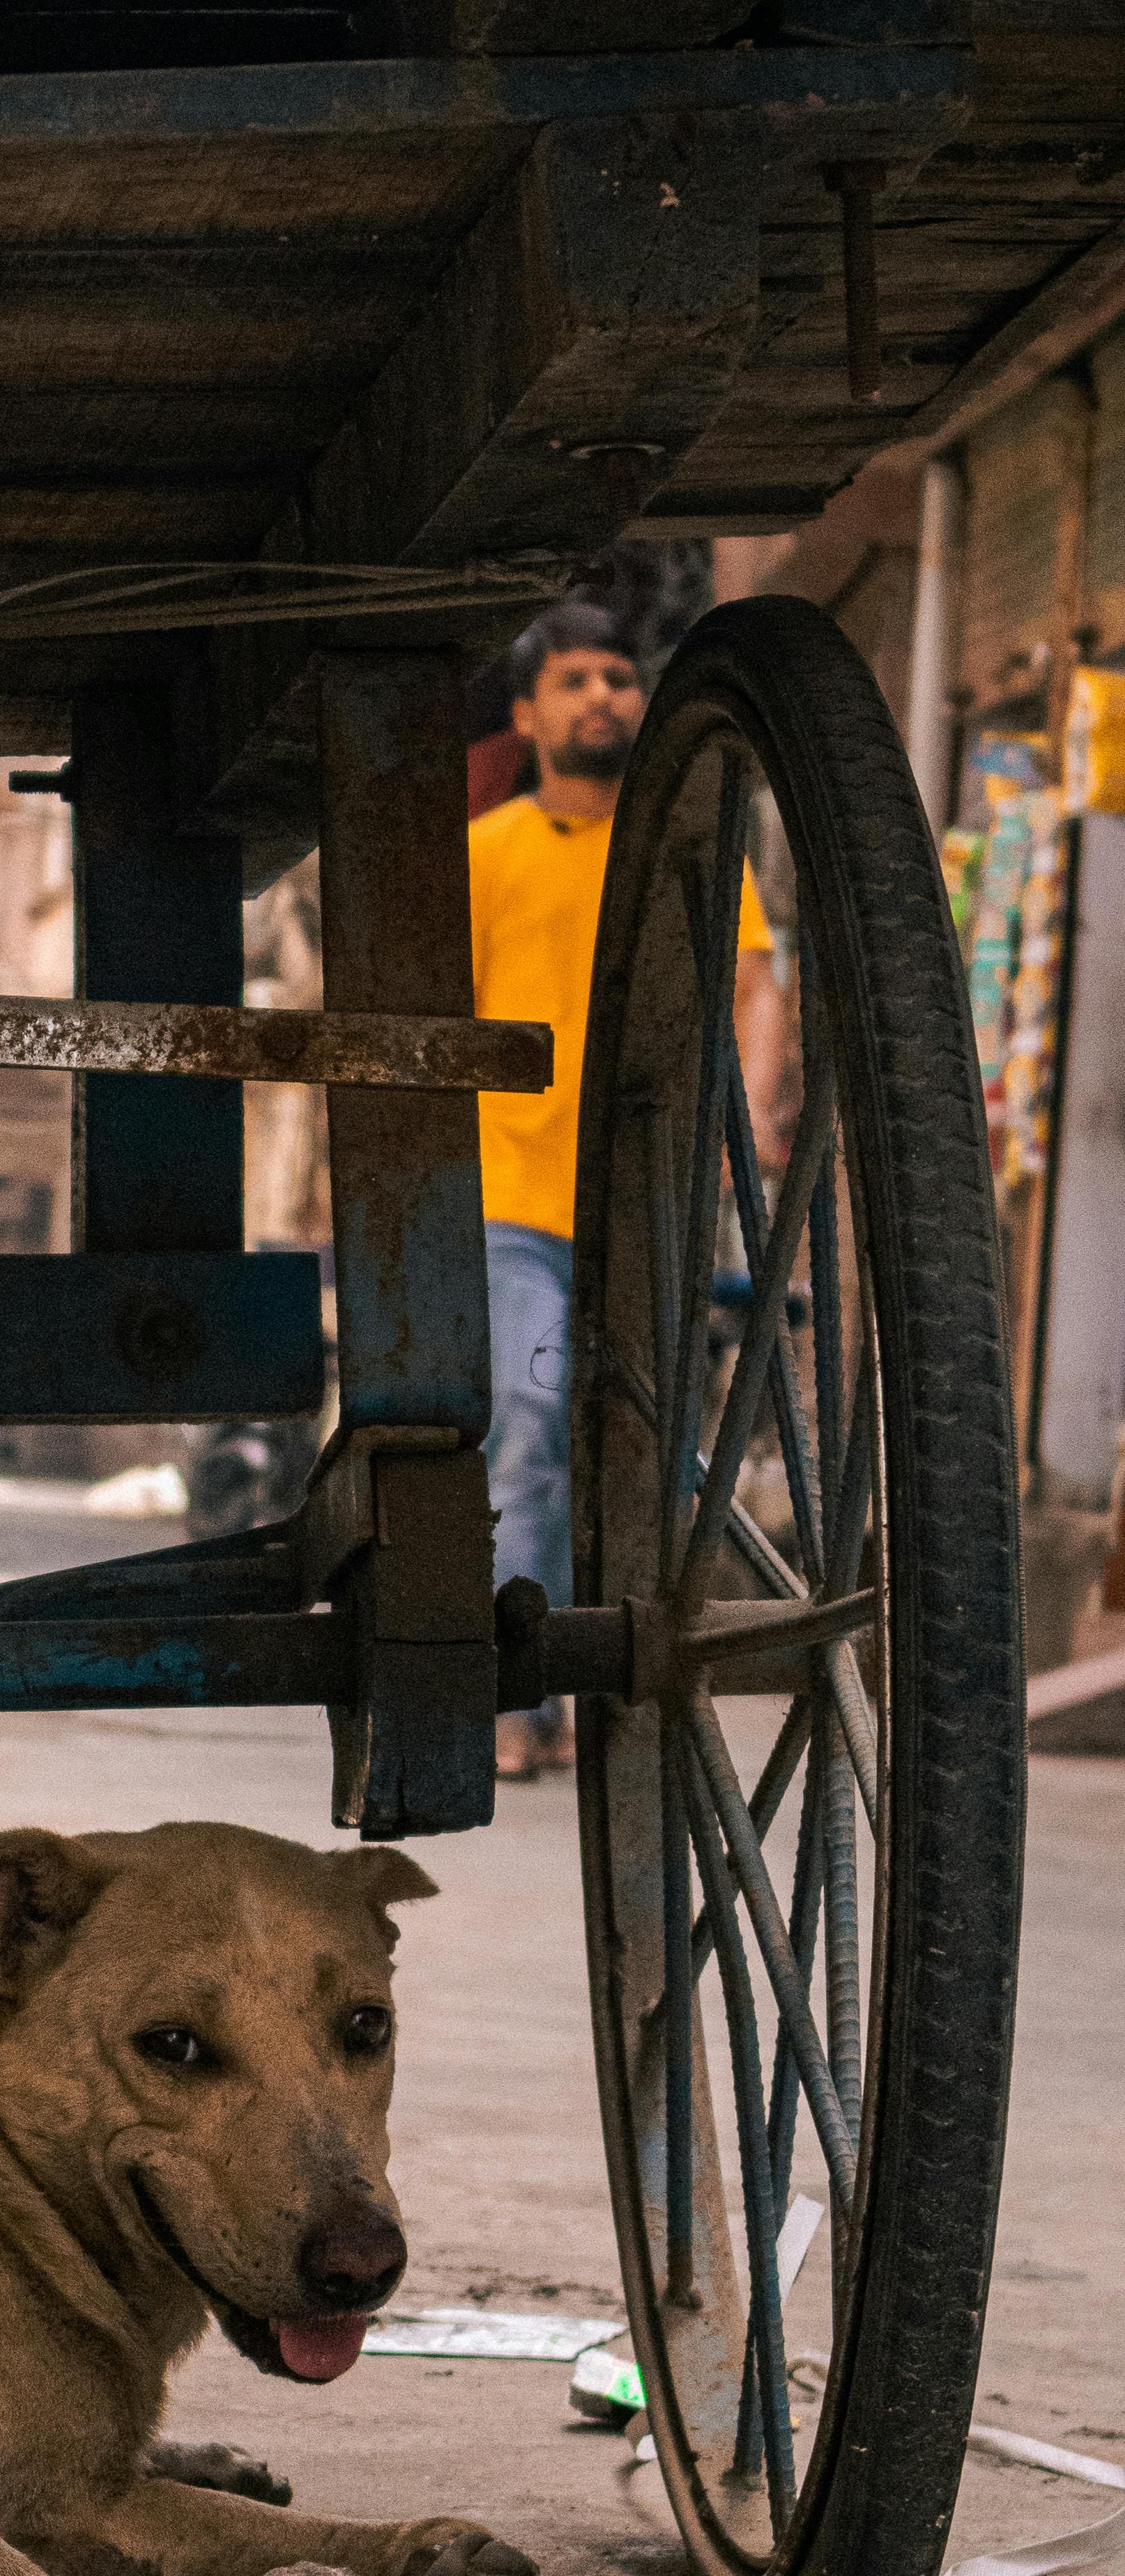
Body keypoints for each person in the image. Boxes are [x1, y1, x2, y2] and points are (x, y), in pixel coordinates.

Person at [470, 604, 789, 1781]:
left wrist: (745, 1120)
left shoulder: (678, 854)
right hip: (511, 1197)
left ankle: (607, 1679)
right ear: (528, 712)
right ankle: (521, 1691)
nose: (603, 697)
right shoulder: (487, 852)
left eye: (618, 678)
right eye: (576, 681)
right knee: (530, 1433)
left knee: (643, 1450)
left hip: (649, 1192)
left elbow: (754, 981)